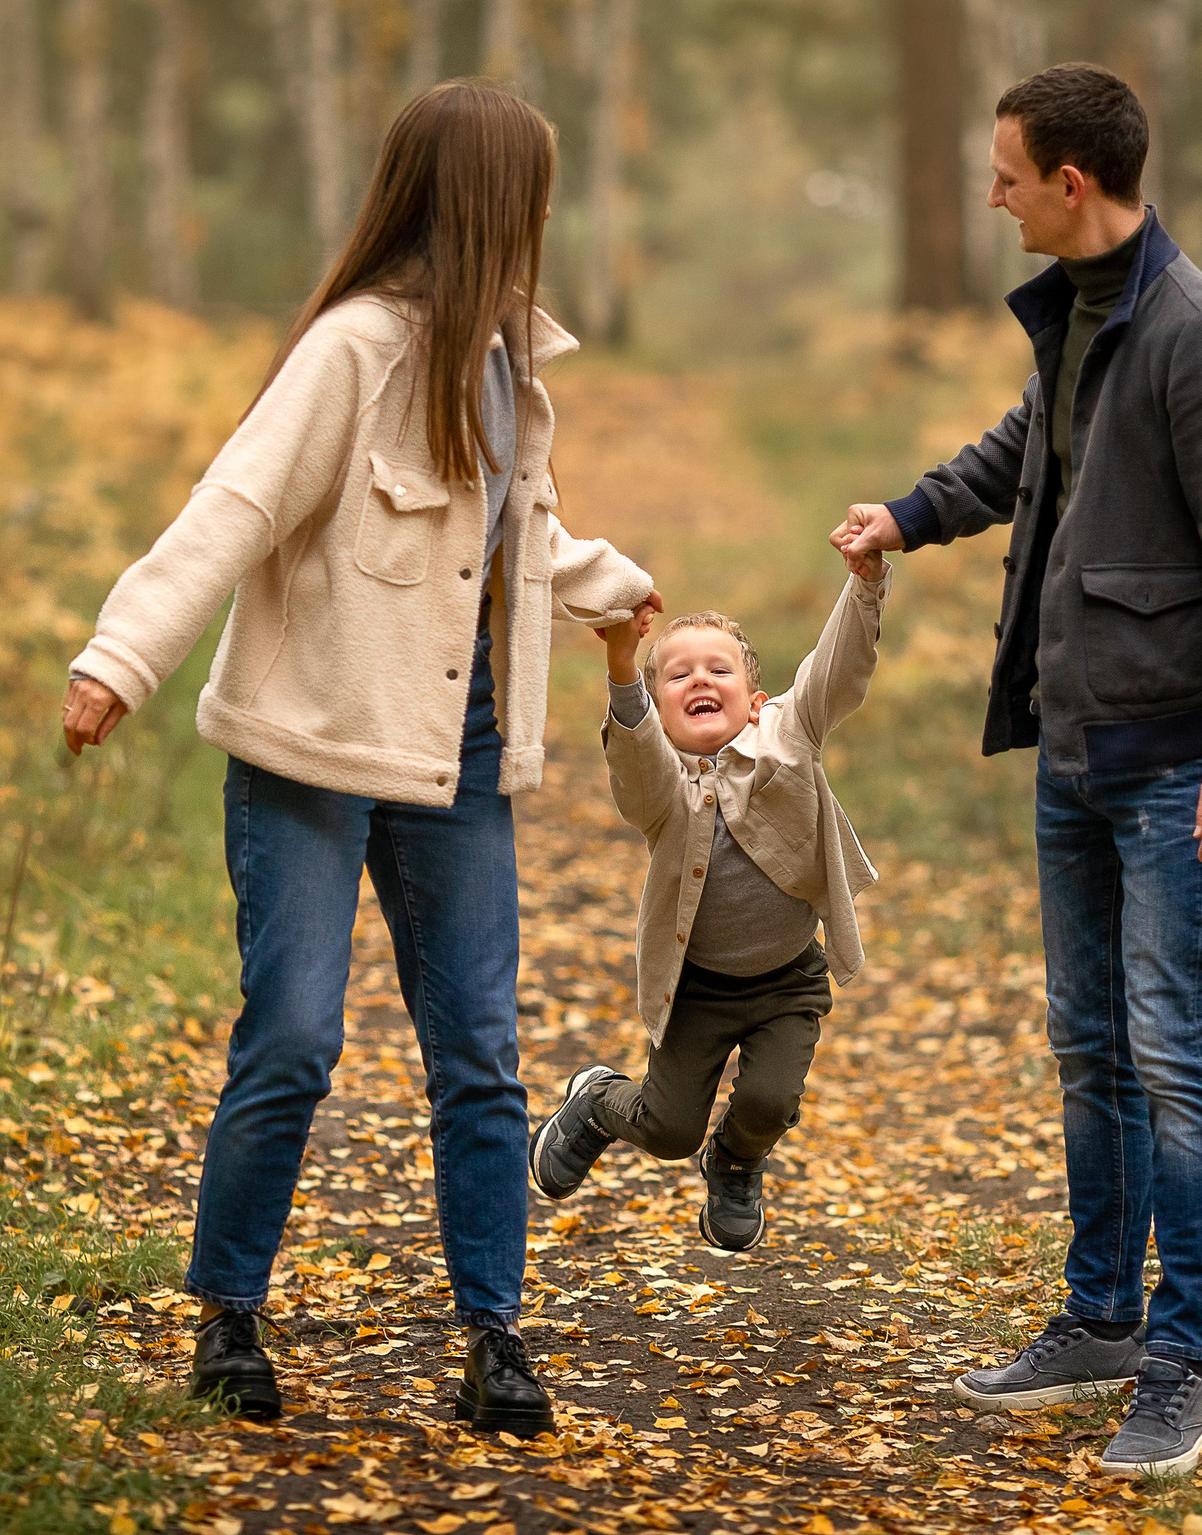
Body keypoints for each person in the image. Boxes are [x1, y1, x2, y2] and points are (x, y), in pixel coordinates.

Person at [58, 80, 658, 1438]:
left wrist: (609, 584)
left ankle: (494, 1333)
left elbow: (504, 539)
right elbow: (237, 504)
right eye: (535, 197)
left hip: (463, 752)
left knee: (482, 1057)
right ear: (486, 201)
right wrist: (121, 654)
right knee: (292, 1035)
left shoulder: (513, 368)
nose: (546, 221)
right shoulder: (352, 351)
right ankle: (228, 1314)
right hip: (314, 746)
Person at [831, 63, 1202, 1478]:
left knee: (1173, 1055)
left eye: (1006, 173)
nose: (992, 193)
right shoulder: (1082, 318)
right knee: (1089, 1046)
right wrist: (912, 515)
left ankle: (1183, 1362)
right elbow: (1029, 456)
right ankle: (1101, 1318)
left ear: (1071, 185)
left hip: (1176, 769)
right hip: (1080, 750)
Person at [529, 547, 889, 1251]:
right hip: (696, 986)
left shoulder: (790, 735)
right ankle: (598, 1101)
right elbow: (633, 765)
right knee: (666, 1130)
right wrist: (624, 666)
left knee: (769, 1101)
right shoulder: (661, 787)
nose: (700, 678)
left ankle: (733, 1161)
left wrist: (867, 583)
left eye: (719, 669)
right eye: (680, 674)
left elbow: (837, 667)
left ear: (756, 700)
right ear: (660, 712)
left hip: (787, 979)